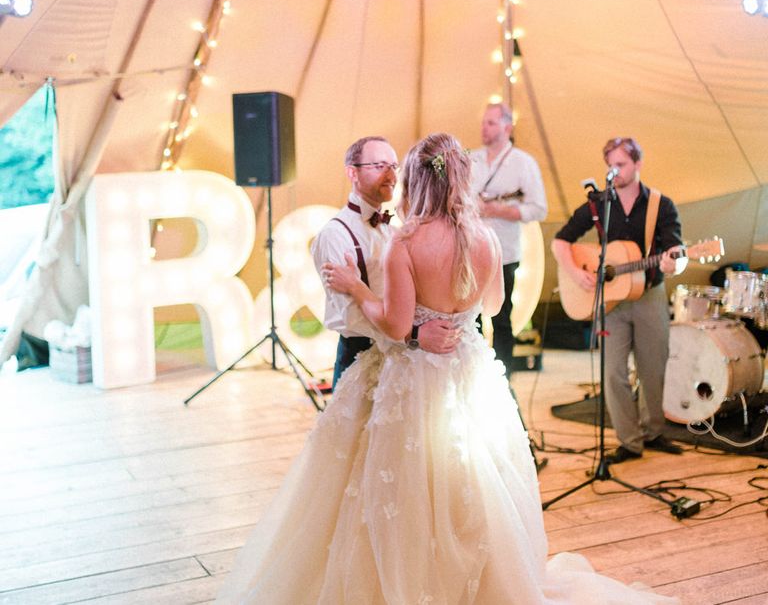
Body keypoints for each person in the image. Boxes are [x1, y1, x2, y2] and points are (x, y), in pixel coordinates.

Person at [216, 132, 679, 604]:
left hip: (417, 377)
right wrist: (458, 313)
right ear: (462, 179)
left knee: (411, 491)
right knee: (473, 479)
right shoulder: (486, 240)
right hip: (469, 367)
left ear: (416, 180)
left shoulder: (406, 244)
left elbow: (396, 327)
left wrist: (359, 289)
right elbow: (495, 305)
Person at [551, 136, 685, 464]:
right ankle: (629, 441)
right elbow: (560, 241)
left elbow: (677, 253)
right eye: (611, 165)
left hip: (649, 294)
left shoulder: (660, 205)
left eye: (622, 164)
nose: (616, 171)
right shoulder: (599, 205)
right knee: (613, 373)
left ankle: (653, 432)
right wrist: (575, 271)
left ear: (638, 164)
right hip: (611, 301)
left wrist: (674, 263)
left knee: (653, 369)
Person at [311, 135, 457, 389]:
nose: (391, 175)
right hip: (359, 357)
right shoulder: (334, 235)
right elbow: (350, 315)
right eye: (379, 166)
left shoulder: (393, 230)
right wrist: (415, 335)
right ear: (352, 173)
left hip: (400, 359)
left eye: (394, 166)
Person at [470, 102, 547, 376]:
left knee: (502, 316)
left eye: (491, 123)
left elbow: (539, 208)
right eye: (483, 122)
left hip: (505, 249)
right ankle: (473, 370)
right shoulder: (473, 160)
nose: (485, 128)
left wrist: (500, 210)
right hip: (472, 249)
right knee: (471, 315)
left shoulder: (523, 163)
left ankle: (503, 375)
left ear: (506, 127)